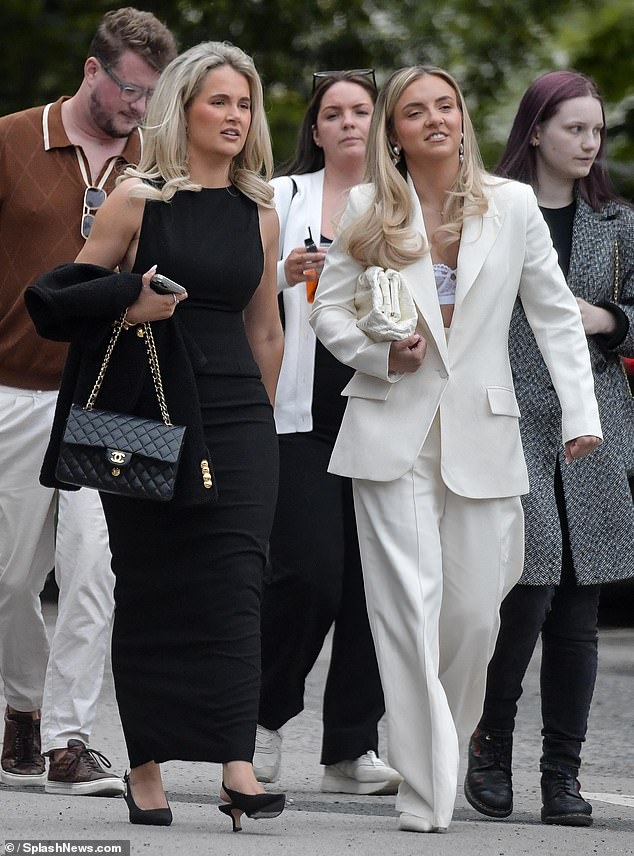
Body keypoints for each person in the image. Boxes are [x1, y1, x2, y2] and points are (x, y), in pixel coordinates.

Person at [309, 65, 603, 833]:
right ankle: (430, 782)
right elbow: (330, 314)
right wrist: (380, 355)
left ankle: (432, 747)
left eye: (446, 106)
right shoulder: (372, 208)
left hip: (485, 431)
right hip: (387, 431)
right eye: (415, 111)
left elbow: (553, 316)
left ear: (464, 119)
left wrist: (582, 411)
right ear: (396, 132)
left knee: (474, 617)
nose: (435, 118)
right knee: (406, 608)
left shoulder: (511, 207)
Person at [25, 41, 286, 830]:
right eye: (219, 101)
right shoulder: (138, 198)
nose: (235, 116)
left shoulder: (262, 210)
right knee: (154, 588)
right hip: (149, 411)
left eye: (245, 103)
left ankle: (236, 766)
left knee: (239, 586)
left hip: (238, 415)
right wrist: (129, 301)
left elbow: (266, 329)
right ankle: (146, 768)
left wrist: (267, 422)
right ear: (185, 108)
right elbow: (61, 294)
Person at [0, 7, 176, 796]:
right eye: (130, 92)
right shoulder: (9, 140)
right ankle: (24, 710)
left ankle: (70, 742)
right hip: (14, 385)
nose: (140, 109)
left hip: (113, 397)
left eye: (152, 96)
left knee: (95, 573)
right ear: (91, 71)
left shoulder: (163, 163)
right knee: (8, 580)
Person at [464, 70, 634, 828]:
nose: (589, 141)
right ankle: (489, 744)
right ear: (535, 131)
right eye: (574, 127)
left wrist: (607, 319)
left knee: (579, 605)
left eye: (596, 130)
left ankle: (561, 775)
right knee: (526, 588)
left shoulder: (618, 222)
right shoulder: (492, 210)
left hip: (595, 421)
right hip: (510, 416)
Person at [253, 69, 401, 796]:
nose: (348, 123)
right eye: (334, 114)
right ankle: (264, 717)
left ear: (381, 125)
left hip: (382, 410)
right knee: (307, 576)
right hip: (299, 414)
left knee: (376, 585)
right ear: (314, 130)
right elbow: (236, 287)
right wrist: (285, 273)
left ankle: (351, 747)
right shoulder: (283, 198)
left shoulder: (403, 204)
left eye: (362, 112)